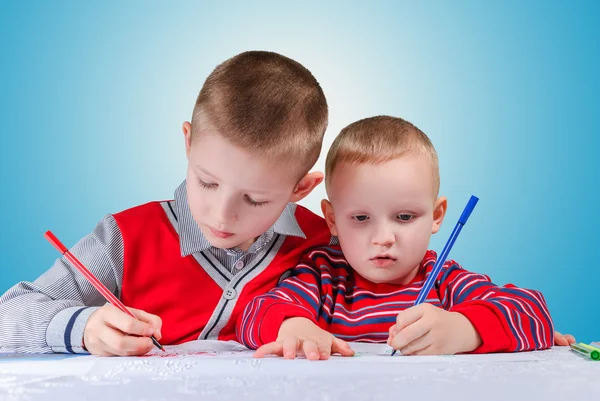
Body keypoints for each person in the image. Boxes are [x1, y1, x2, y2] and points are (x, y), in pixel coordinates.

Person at [0, 51, 333, 356]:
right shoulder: (124, 238)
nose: (221, 215)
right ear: (188, 142)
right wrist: (85, 328)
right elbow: (7, 316)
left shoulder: (326, 242)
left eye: (253, 199)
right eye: (207, 182)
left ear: (301, 187)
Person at [237, 115, 565, 360]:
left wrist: (464, 330)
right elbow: (254, 313)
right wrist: (293, 327)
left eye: (404, 217)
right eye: (361, 218)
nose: (383, 238)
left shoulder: (444, 280)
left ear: (436, 216)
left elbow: (533, 313)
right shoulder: (323, 276)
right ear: (333, 219)